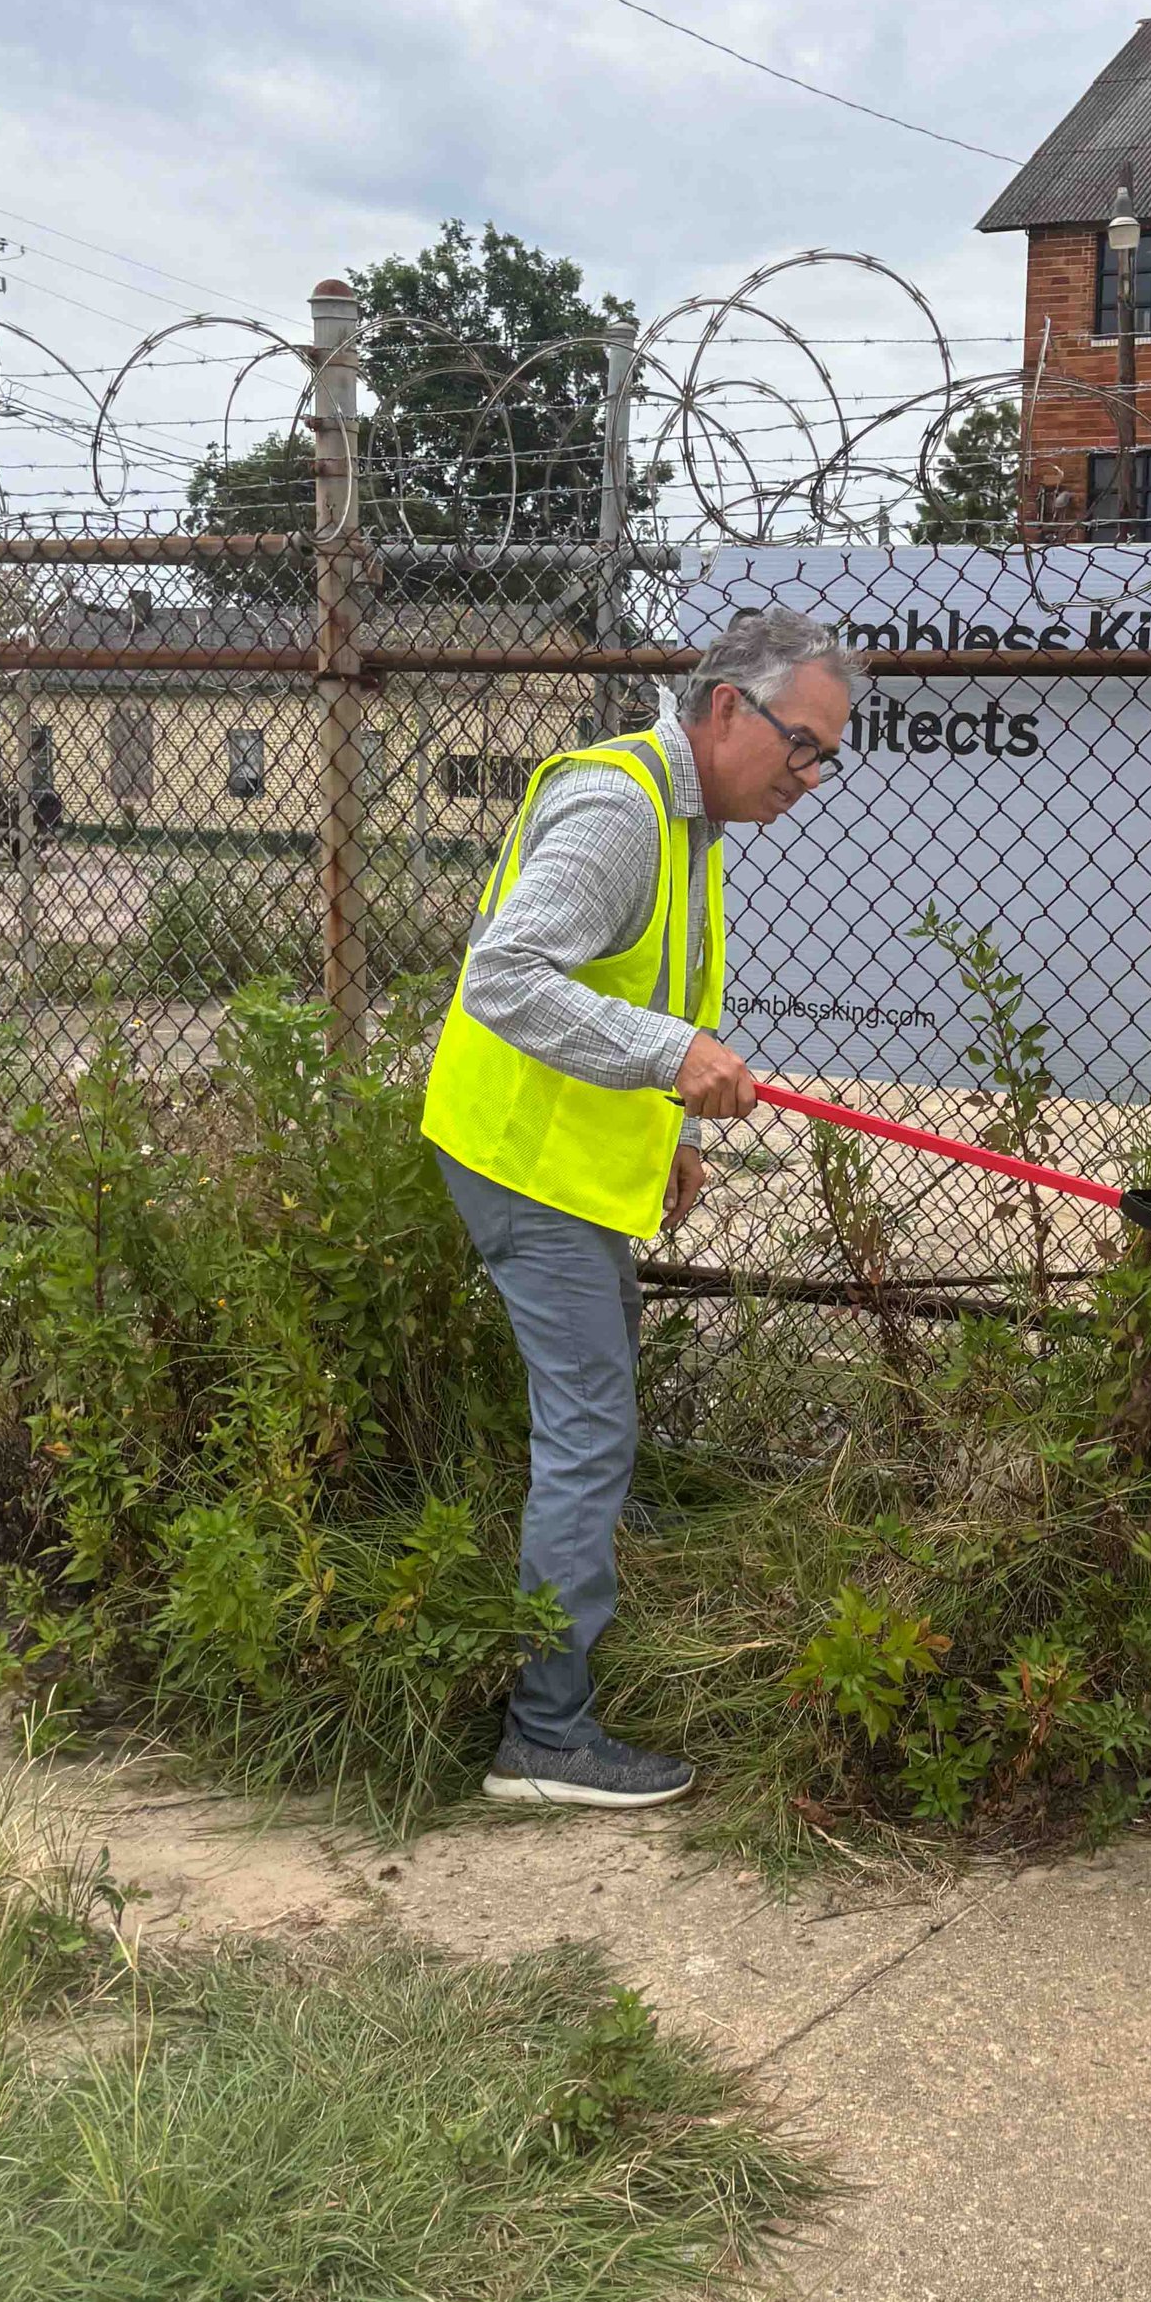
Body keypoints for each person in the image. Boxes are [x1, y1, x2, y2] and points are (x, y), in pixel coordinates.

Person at [422, 608, 859, 1810]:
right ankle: (545, 1734)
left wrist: (659, 1127)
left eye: (828, 754)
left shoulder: (688, 820)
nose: (812, 777)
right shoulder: (623, 809)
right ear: (729, 710)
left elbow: (624, 986)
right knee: (590, 1430)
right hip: (527, 1163)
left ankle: (577, 1604)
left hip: (569, 1158)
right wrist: (672, 1060)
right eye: (805, 745)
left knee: (592, 1416)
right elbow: (505, 977)